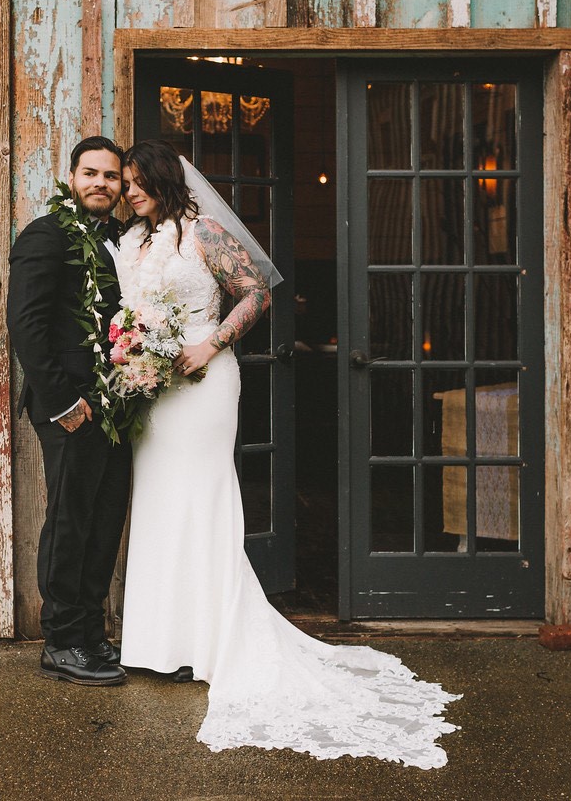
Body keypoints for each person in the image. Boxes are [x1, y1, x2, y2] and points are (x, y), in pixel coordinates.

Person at [115, 140, 460, 766]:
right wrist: (131, 351)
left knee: (204, 495)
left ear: (165, 180)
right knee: (160, 502)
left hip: (202, 379)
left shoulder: (206, 232)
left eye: (138, 182)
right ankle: (160, 643)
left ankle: (216, 641)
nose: (129, 191)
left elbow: (257, 293)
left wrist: (210, 346)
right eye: (126, 183)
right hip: (152, 386)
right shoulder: (136, 241)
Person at [6, 136, 131, 686]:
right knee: (69, 521)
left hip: (115, 403)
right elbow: (26, 328)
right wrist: (62, 405)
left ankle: (90, 634)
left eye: (111, 175)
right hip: (70, 406)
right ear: (72, 177)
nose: (101, 183)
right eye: (91, 173)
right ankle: (60, 640)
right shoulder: (46, 235)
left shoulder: (121, 241)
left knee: (103, 521)